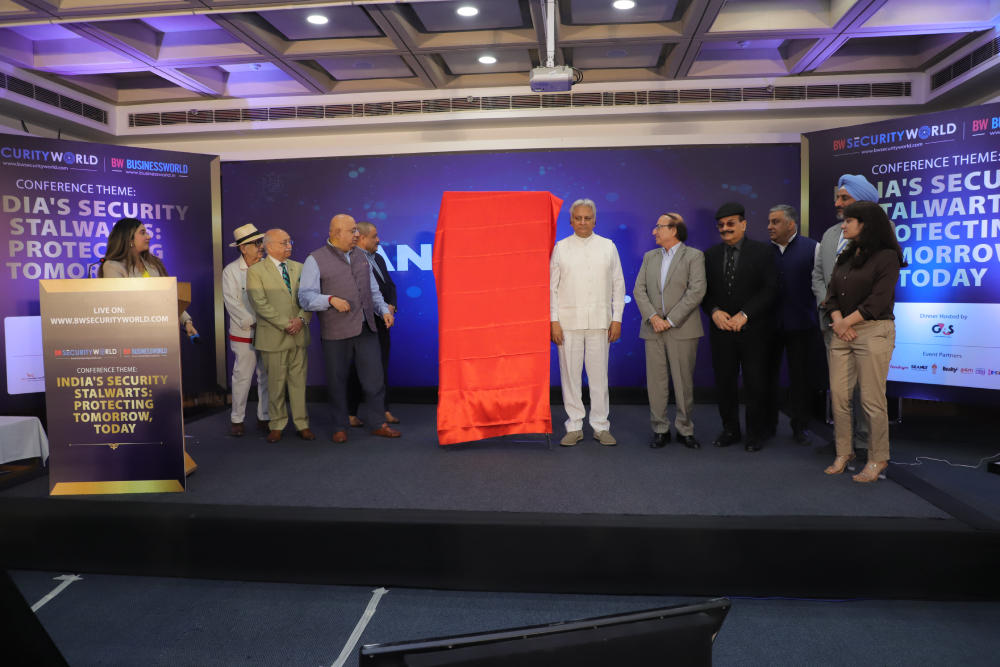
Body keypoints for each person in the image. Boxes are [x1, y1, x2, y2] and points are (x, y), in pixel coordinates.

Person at [822, 201, 905, 482]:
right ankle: (844, 452)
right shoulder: (846, 254)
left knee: (871, 399)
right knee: (839, 397)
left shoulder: (887, 256)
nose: (843, 225)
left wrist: (845, 322)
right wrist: (840, 322)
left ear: (865, 224)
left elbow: (877, 301)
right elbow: (831, 296)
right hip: (842, 331)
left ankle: (878, 458)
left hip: (872, 331)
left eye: (849, 221)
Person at [299, 214, 400, 443]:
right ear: (337, 233)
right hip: (336, 333)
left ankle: (378, 424)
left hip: (367, 329)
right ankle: (339, 426)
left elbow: (373, 291)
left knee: (375, 379)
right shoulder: (315, 259)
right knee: (337, 382)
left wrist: (383, 310)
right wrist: (330, 300)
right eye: (352, 230)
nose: (357, 234)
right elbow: (305, 298)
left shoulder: (361, 256)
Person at [811, 174, 882, 458]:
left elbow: (878, 284)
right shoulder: (831, 234)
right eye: (838, 197)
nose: (837, 203)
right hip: (833, 324)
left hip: (864, 325)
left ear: (862, 201)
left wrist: (850, 319)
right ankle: (843, 442)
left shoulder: (882, 231)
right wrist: (834, 313)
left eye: (844, 198)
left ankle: (864, 442)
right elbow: (818, 277)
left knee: (866, 388)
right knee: (840, 389)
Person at [701, 202, 779, 452]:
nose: (725, 228)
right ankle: (730, 430)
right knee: (724, 384)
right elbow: (702, 292)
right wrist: (714, 311)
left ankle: (754, 433)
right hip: (721, 332)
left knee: (755, 384)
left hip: (754, 331)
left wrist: (745, 315)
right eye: (721, 225)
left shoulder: (763, 252)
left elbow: (771, 289)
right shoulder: (709, 255)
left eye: (730, 223)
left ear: (743, 225)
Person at [550, 199, 626, 447]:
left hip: (600, 322)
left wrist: (616, 319)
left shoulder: (608, 246)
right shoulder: (561, 248)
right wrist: (553, 321)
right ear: (571, 221)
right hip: (567, 323)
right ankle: (574, 426)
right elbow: (551, 288)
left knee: (599, 377)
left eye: (587, 218)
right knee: (570, 377)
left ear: (595, 220)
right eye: (578, 218)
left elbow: (618, 285)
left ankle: (601, 427)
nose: (583, 222)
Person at [633, 214, 706, 449]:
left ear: (673, 230)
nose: (654, 231)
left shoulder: (694, 256)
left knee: (683, 382)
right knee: (656, 383)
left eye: (658, 227)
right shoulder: (649, 257)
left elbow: (696, 291)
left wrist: (670, 320)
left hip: (682, 329)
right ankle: (660, 429)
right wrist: (654, 317)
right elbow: (639, 290)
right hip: (652, 329)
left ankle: (685, 429)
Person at [246, 229, 314, 444]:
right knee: (275, 384)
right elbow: (259, 304)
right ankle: (276, 424)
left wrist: (301, 319)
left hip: (299, 335)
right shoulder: (256, 271)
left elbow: (309, 298)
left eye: (289, 241)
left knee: (299, 382)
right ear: (269, 246)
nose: (289, 245)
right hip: (274, 336)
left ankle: (302, 423)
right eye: (284, 242)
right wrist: (286, 324)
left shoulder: (300, 268)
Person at [763, 205, 819, 445]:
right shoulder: (762, 251)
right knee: (766, 377)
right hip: (768, 325)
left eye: (775, 222)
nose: (769, 227)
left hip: (803, 324)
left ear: (791, 224)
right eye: (769, 222)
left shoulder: (813, 248)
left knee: (801, 378)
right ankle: (768, 424)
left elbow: (821, 284)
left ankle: (800, 426)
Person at [99, 217, 197, 339]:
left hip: (161, 330)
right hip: (132, 333)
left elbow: (169, 296)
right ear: (129, 239)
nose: (149, 237)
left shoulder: (153, 263)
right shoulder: (113, 266)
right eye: (143, 233)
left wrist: (186, 322)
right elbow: (118, 304)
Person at [347, 222, 399, 427]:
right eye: (374, 236)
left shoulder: (378, 258)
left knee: (382, 366)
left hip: (383, 322)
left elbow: (390, 285)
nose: (378, 240)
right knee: (358, 369)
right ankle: (351, 412)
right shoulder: (351, 259)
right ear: (362, 238)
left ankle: (384, 410)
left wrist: (391, 306)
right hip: (363, 323)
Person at [222, 224, 270, 437]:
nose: (261, 247)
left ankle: (264, 417)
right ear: (243, 248)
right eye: (256, 243)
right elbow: (231, 303)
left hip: (268, 331)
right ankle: (237, 419)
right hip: (244, 333)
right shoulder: (231, 271)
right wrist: (254, 322)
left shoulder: (269, 267)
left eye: (261, 242)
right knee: (242, 376)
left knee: (266, 375)